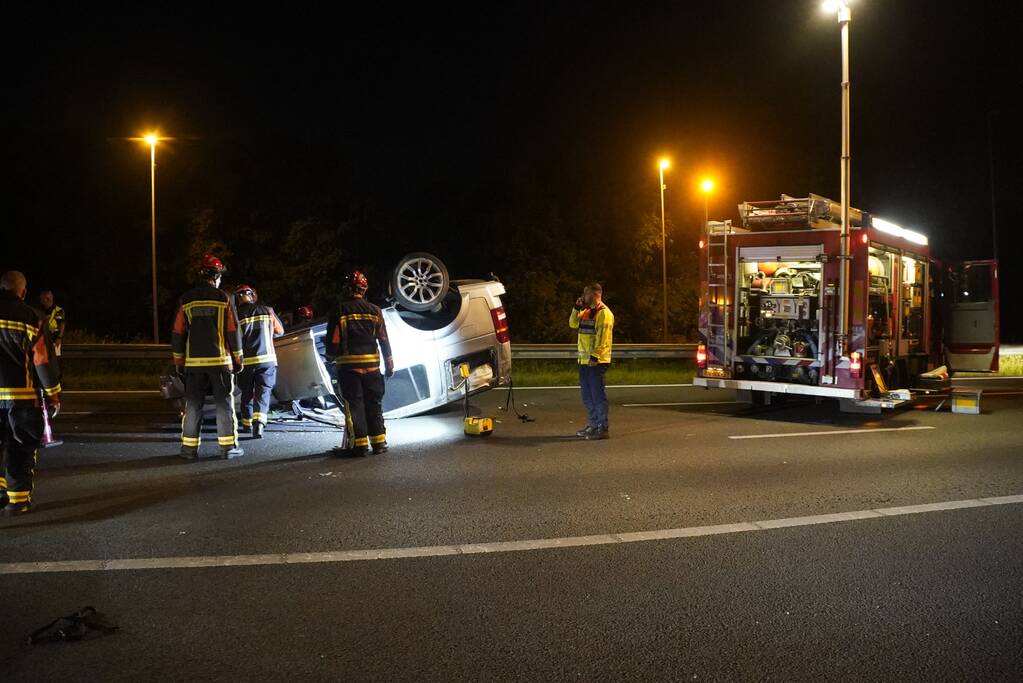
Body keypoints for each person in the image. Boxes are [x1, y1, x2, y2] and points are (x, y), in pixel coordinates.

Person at [170, 255, 245, 460]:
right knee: (224, 404)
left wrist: (179, 362)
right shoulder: (225, 298)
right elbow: (233, 331)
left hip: (193, 365)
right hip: (220, 362)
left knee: (193, 404)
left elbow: (177, 333)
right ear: (217, 275)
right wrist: (238, 359)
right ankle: (228, 448)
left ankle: (188, 450)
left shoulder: (186, 300)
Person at [0, 271, 61, 515]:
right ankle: (18, 502)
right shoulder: (32, 317)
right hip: (21, 399)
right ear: (23, 292)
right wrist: (53, 394)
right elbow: (43, 361)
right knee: (20, 449)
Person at [327, 271, 394, 456]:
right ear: (364, 289)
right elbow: (384, 339)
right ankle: (379, 443)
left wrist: (331, 356)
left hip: (349, 368)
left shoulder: (339, 310)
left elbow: (334, 339)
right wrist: (389, 364)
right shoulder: (375, 310)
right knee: (374, 404)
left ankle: (360, 445)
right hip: (373, 367)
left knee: (355, 405)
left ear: (347, 289)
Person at [234, 284, 284, 439]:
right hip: (266, 360)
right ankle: (259, 425)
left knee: (246, 393)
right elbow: (280, 331)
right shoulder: (267, 310)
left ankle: (247, 425)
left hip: (246, 362)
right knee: (263, 392)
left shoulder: (235, 315)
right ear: (252, 296)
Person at [569, 282, 614, 440]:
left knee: (597, 395)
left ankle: (602, 427)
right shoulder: (586, 311)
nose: (583, 297)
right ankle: (593, 424)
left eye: (585, 294)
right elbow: (573, 324)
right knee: (587, 396)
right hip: (584, 361)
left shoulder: (604, 313)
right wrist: (576, 308)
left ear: (594, 295)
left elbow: (604, 338)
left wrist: (595, 356)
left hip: (597, 361)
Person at [37, 290, 66, 357]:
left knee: (55, 360)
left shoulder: (58, 310)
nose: (40, 300)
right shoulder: (40, 309)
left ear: (46, 299)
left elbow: (62, 324)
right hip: (42, 340)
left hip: (55, 340)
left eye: (42, 299)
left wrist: (59, 338)